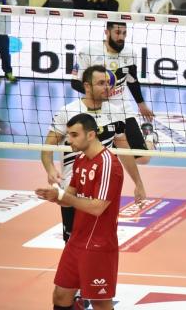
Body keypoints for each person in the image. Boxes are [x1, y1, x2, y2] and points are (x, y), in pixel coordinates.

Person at [42, 65, 146, 242]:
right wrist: (50, 169)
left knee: (100, 240)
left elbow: (124, 151)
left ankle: (149, 138)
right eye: (101, 83)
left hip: (102, 188)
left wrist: (138, 183)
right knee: (72, 241)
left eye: (108, 83)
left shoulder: (115, 112)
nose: (107, 87)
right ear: (87, 86)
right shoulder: (68, 112)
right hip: (73, 187)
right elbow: (48, 147)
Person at [35, 113, 124, 309]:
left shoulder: (109, 164)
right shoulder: (81, 159)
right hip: (77, 240)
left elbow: (97, 207)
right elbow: (69, 198)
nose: (69, 140)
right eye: (68, 134)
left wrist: (64, 197)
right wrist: (56, 197)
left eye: (74, 135)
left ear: (91, 135)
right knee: (61, 295)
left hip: (98, 245)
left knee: (100, 303)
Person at [72, 21, 157, 165]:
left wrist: (141, 104)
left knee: (143, 159)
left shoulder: (130, 53)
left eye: (124, 33)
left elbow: (132, 81)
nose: (121, 37)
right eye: (117, 33)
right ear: (107, 32)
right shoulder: (88, 52)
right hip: (96, 111)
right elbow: (75, 82)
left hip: (122, 110)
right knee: (97, 157)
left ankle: (150, 137)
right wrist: (97, 92)